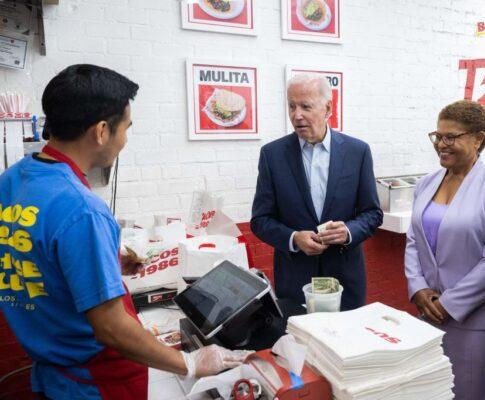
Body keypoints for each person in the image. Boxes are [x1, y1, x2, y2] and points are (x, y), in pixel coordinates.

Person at [0, 64, 248, 400]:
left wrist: (107, 265)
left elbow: (35, 261)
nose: (125, 140)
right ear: (102, 131)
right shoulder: (82, 208)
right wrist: (189, 362)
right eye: (126, 129)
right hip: (94, 382)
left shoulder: (12, 182)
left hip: (53, 374)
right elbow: (111, 328)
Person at [404, 100, 485, 399]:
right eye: (437, 136)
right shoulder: (426, 184)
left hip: (474, 321)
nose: (441, 144)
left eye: (451, 137)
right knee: (434, 391)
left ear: (478, 138)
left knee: (474, 393)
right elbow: (414, 241)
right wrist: (418, 289)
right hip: (428, 311)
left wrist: (450, 304)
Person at [251, 73, 382, 310]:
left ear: (328, 108)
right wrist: (293, 239)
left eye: (305, 106)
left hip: (345, 280)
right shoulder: (272, 155)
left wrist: (349, 231)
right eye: (292, 106)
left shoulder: (358, 152)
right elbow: (260, 220)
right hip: (294, 281)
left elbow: (372, 213)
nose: (296, 115)